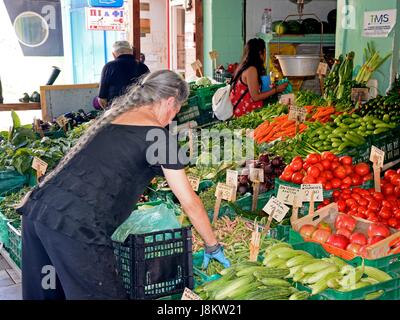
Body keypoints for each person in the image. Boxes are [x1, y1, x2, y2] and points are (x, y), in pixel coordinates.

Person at [17, 70, 230, 300]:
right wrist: (212, 245)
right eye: (176, 111)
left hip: (37, 212)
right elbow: (189, 202)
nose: (172, 118)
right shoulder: (157, 136)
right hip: (75, 227)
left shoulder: (112, 118)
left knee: (48, 294)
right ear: (170, 101)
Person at [229, 38, 288, 117]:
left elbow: (251, 89)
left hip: (243, 111)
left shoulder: (244, 66)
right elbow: (255, 97)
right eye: (264, 52)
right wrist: (276, 90)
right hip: (245, 114)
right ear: (260, 53)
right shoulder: (251, 70)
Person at [97, 41, 149, 109]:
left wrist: (108, 111)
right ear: (131, 52)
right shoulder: (143, 67)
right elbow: (150, 91)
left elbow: (102, 99)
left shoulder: (108, 67)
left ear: (113, 54)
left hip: (116, 112)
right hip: (138, 110)